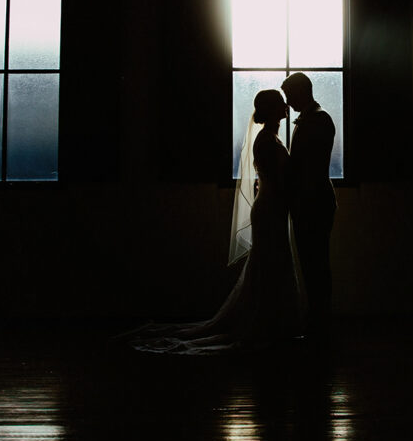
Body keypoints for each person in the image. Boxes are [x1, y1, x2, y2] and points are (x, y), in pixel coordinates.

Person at [120, 90, 301, 355]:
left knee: (270, 265)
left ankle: (272, 322)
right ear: (274, 109)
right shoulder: (266, 140)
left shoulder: (268, 138)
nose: (286, 106)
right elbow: (280, 181)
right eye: (281, 103)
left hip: (272, 209)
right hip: (270, 210)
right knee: (270, 264)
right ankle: (266, 323)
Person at [281, 72, 336, 344]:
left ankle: (319, 324)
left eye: (289, 96)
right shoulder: (315, 119)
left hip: (313, 201)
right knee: (313, 263)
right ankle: (317, 321)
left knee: (315, 263)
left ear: (302, 92)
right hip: (310, 200)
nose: (287, 103)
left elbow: (304, 166)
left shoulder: (317, 121)